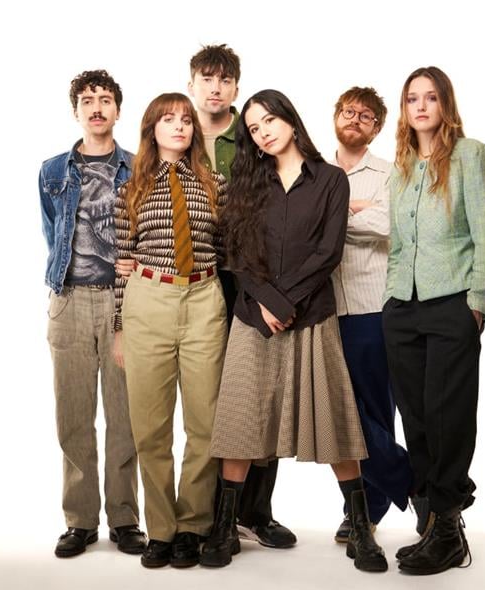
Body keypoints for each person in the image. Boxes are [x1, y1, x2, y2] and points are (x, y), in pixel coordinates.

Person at [201, 89, 388, 572]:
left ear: (289, 119)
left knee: (336, 424)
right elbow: (235, 254)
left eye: (269, 121)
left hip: (310, 316)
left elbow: (328, 252)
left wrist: (284, 302)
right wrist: (265, 301)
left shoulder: (329, 179)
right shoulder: (247, 182)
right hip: (254, 318)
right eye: (254, 128)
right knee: (240, 422)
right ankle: (224, 526)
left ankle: (360, 528)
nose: (263, 132)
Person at [382, 66, 485, 575]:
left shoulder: (470, 155)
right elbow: (397, 242)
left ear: (445, 104)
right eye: (412, 98)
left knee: (447, 416)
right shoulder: (402, 166)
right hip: (402, 307)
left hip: (452, 302)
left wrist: (479, 304)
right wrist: (389, 299)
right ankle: (432, 522)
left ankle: (450, 531)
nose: (421, 106)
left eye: (430, 97)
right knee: (416, 418)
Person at [187, 43, 296, 550]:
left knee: (262, 391)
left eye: (225, 80)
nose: (216, 88)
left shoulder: (253, 136)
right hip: (194, 279)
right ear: (192, 84)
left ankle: (257, 510)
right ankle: (210, 514)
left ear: (235, 86)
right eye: (207, 79)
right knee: (212, 399)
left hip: (249, 276)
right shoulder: (176, 130)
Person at [112, 93, 228, 569]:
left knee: (206, 422)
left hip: (204, 299)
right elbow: (121, 265)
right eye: (168, 120)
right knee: (150, 426)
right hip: (149, 301)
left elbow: (227, 249)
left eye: (186, 120)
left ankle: (193, 526)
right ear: (151, 129)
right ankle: (160, 529)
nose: (179, 126)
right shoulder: (130, 189)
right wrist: (120, 327)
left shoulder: (215, 185)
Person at [38, 69, 145, 558]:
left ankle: (124, 518)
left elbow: (149, 233)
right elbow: (52, 233)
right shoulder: (52, 171)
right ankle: (79, 521)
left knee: (125, 415)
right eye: (87, 100)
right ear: (76, 110)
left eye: (105, 99)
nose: (96, 107)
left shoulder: (139, 167)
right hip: (69, 300)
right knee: (74, 416)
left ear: (118, 110)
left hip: (124, 302)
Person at [329, 87, 413, 544]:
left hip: (370, 306)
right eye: (348, 111)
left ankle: (365, 511)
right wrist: (356, 208)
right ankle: (412, 480)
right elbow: (300, 226)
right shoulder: (315, 170)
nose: (354, 119)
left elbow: (388, 224)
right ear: (335, 117)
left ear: (377, 128)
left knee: (375, 411)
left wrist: (332, 215)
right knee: (337, 413)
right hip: (323, 310)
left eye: (365, 116)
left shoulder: (389, 173)